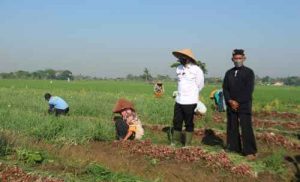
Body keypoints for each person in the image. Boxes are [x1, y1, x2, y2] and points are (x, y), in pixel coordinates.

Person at [223, 49, 257, 160]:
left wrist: (237, 101)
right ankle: (233, 148)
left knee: (246, 127)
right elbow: (225, 88)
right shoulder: (229, 73)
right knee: (232, 126)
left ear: (244, 59)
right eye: (236, 58)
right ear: (232, 59)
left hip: (244, 104)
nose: (238, 60)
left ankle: (249, 151)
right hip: (231, 104)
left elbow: (248, 90)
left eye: (240, 58)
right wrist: (230, 101)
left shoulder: (249, 72)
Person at [171, 49, 204, 146]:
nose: (181, 59)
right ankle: (175, 141)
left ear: (189, 58)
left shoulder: (196, 70)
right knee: (177, 121)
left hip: (190, 101)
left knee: (188, 122)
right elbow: (180, 83)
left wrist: (191, 94)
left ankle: (187, 144)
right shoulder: (178, 68)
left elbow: (200, 85)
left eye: (183, 57)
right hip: (179, 100)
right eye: (180, 57)